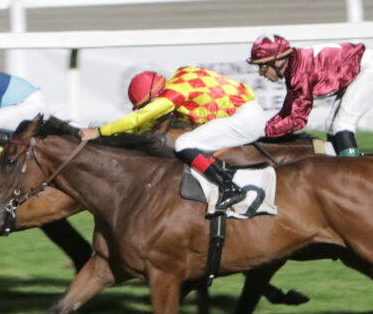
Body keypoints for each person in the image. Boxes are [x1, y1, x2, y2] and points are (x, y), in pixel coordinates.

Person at [79, 66, 268, 210]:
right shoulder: (181, 75)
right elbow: (147, 124)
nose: (150, 110)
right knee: (194, 141)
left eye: (148, 106)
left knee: (184, 143)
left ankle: (229, 188)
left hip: (244, 120)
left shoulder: (171, 96)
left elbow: (139, 118)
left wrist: (99, 132)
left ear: (155, 99)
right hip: (248, 111)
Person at [247, 33, 373, 156]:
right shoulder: (294, 69)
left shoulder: (300, 73)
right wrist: (262, 129)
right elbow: (286, 113)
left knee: (342, 123)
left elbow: (298, 120)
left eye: (263, 66)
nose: (261, 73)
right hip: (364, 65)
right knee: (330, 125)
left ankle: (352, 173)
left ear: (278, 61)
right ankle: (342, 162)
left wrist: (263, 132)